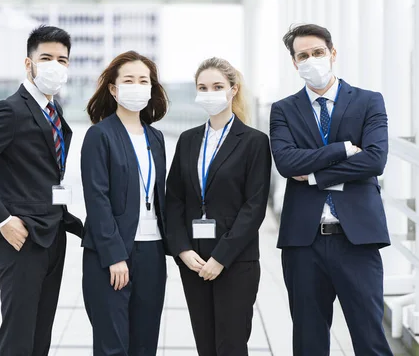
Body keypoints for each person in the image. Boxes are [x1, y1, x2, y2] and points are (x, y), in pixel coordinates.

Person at [0, 25, 84, 355]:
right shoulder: (10, 110)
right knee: (18, 339)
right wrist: (1, 220)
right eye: (46, 58)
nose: (56, 65)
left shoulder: (54, 111)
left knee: (40, 337)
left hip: (53, 235)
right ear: (29, 64)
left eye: (62, 59)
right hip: (21, 240)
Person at [269, 24, 393, 356]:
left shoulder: (368, 101)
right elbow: (286, 163)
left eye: (318, 53)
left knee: (370, 340)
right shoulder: (283, 110)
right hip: (303, 243)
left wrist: (314, 177)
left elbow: (374, 161)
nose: (311, 60)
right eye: (303, 56)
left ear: (333, 53)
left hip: (357, 240)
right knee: (308, 343)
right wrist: (341, 149)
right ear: (295, 63)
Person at [165, 57, 272, 356]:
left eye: (217, 86)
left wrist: (221, 258)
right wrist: (183, 250)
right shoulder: (188, 140)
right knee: (206, 345)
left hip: (236, 261)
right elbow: (173, 199)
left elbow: (254, 207)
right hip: (194, 260)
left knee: (231, 345)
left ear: (233, 89)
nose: (209, 92)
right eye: (203, 87)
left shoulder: (254, 142)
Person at [81, 51, 170, 355]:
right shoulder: (99, 135)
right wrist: (114, 255)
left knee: (145, 345)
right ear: (114, 89)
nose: (137, 85)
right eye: (129, 80)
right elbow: (97, 198)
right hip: (112, 254)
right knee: (113, 346)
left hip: (152, 252)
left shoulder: (155, 138)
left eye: (143, 80)